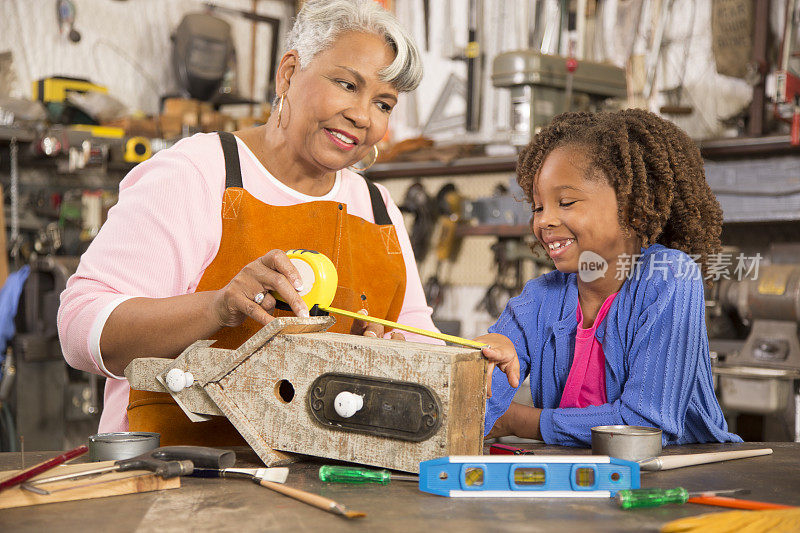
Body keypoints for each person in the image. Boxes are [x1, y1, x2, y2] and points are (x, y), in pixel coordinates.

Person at [58, 0, 440, 446]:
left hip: (319, 481)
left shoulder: (376, 209)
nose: (363, 116)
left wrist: (401, 355)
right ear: (289, 73)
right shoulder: (196, 174)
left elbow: (422, 342)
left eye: (383, 103)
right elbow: (80, 328)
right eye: (346, 84)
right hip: (172, 478)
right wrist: (218, 308)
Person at [476, 109, 742, 447]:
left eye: (566, 202)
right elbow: (477, 405)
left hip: (676, 480)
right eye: (538, 207)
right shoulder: (540, 297)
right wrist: (480, 360)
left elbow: (645, 425)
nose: (544, 221)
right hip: (584, 481)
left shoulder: (670, 278)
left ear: (631, 207)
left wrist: (525, 421)